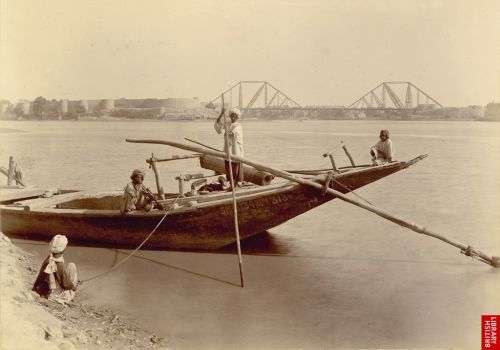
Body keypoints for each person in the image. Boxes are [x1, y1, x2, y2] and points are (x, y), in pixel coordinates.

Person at [32, 235, 78, 304]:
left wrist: (35, 287)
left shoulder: (48, 258)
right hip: (52, 294)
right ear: (63, 249)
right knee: (72, 266)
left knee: (69, 267)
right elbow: (65, 284)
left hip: (43, 288)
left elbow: (40, 276)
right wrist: (74, 287)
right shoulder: (59, 264)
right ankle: (68, 296)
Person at [214, 107, 244, 189]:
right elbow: (218, 126)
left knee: (236, 167)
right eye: (231, 116)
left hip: (236, 150)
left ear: (237, 117)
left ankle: (237, 184)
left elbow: (233, 133)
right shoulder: (228, 124)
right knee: (228, 166)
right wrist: (221, 114)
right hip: (228, 149)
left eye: (234, 116)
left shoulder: (238, 126)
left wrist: (228, 132)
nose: (233, 118)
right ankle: (231, 185)